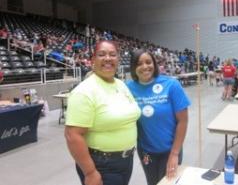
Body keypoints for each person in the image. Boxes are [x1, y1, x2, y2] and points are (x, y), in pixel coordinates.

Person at [64, 40, 141, 185]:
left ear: (118, 59)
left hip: (126, 161)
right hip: (102, 165)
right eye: (102, 54)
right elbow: (72, 135)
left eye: (113, 54)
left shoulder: (121, 84)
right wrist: (90, 172)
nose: (108, 58)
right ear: (93, 60)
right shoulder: (84, 91)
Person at [126, 49, 190, 185]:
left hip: (170, 150)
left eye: (148, 62)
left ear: (154, 64)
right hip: (146, 152)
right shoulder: (128, 88)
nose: (145, 67)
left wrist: (174, 154)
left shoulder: (171, 85)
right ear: (133, 68)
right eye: (139, 64)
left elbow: (183, 121)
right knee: (152, 182)